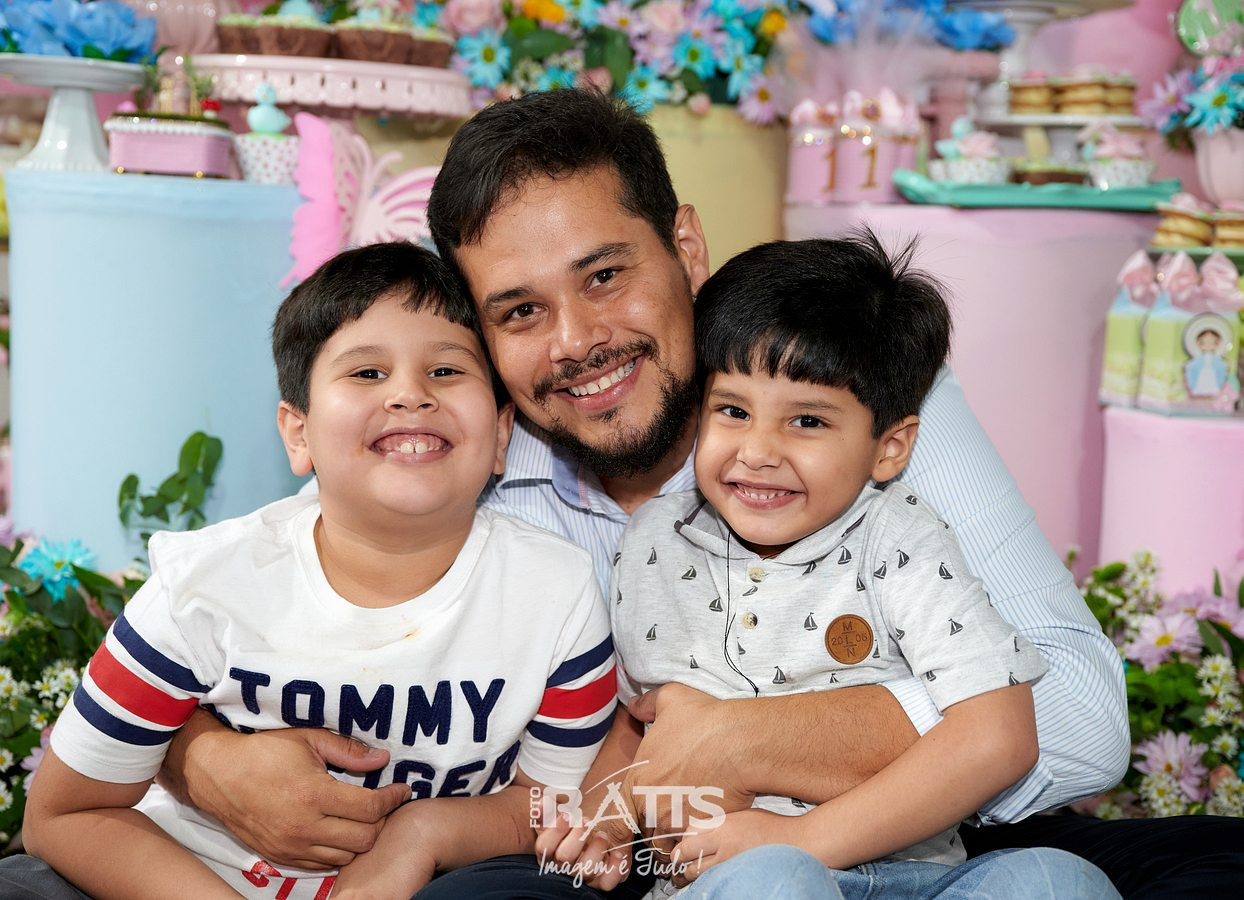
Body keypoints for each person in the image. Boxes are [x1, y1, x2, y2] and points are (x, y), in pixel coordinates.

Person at [34, 88, 1238, 898]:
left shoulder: (826, 389)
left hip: (934, 845)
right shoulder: (459, 470)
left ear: (687, 250)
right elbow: (278, 623)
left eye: (605, 276)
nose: (576, 342)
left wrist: (748, 741)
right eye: (518, 311)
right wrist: (192, 756)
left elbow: (1079, 718)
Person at [16, 242, 617, 899]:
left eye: (446, 370)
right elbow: (62, 814)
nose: (410, 394)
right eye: (367, 373)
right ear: (298, 434)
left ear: (502, 434)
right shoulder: (202, 588)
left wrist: (422, 833)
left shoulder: (555, 595)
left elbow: (550, 805)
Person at [537, 234, 1117, 899]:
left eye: (807, 421)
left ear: (890, 448)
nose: (757, 451)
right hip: (729, 881)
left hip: (912, 877)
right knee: (776, 881)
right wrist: (606, 827)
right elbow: (637, 722)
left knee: (1057, 879)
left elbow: (1000, 738)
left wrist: (806, 839)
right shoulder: (653, 541)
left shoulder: (899, 539)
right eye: (733, 411)